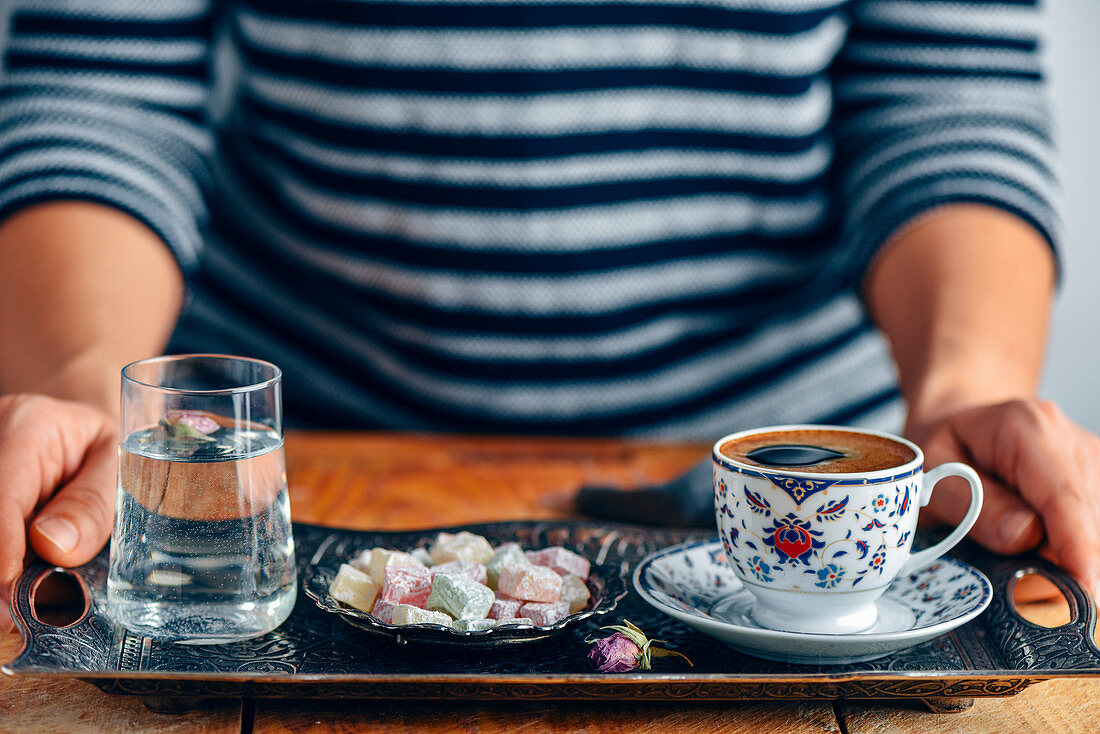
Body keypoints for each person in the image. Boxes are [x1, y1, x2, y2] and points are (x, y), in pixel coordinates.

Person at [1, 0, 1097, 633]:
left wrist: (956, 389)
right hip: (298, 457)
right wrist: (91, 380)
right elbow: (105, 89)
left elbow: (941, 91)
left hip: (795, 461)